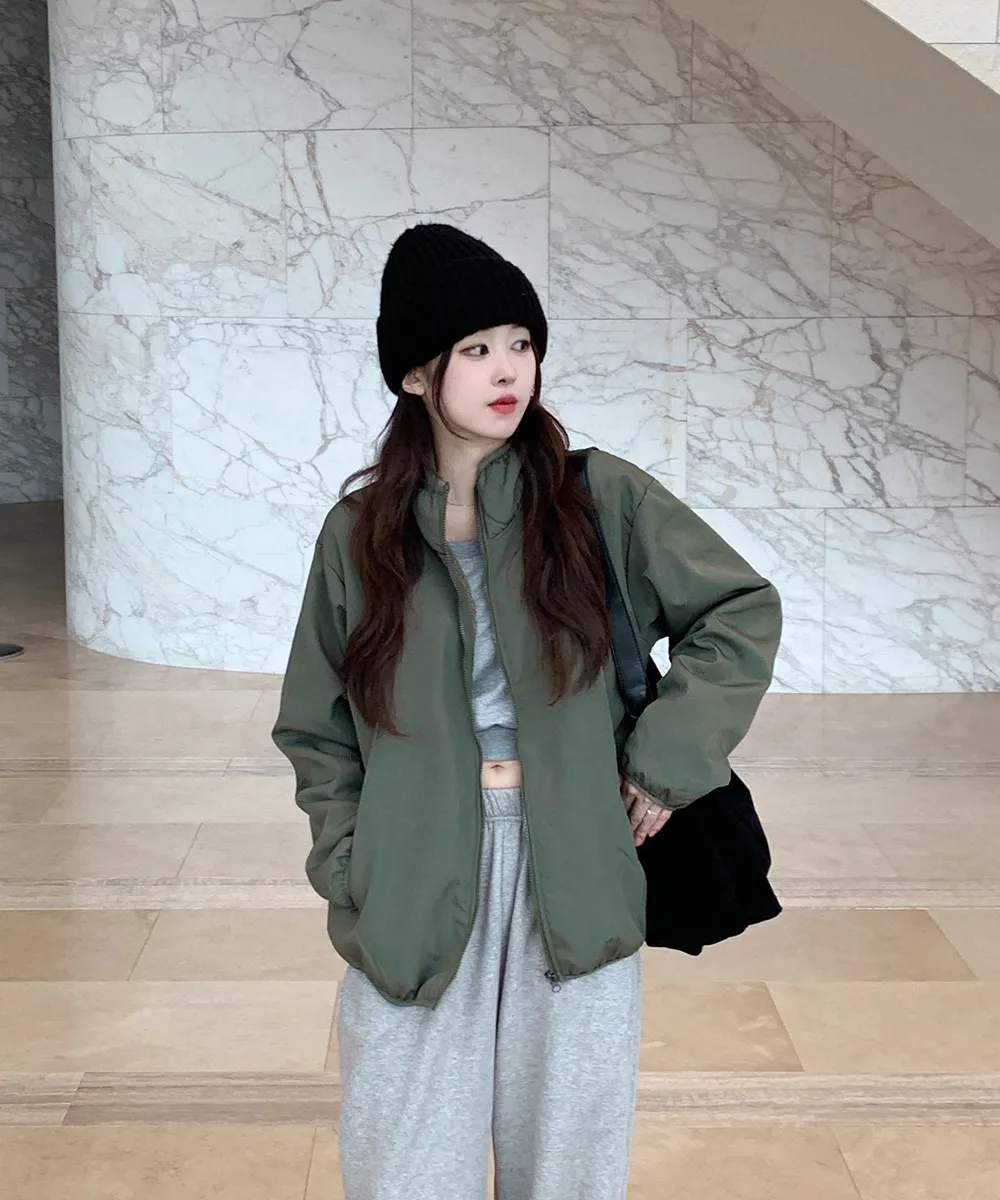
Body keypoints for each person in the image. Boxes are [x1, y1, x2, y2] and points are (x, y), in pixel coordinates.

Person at [272, 223, 783, 1200]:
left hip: (574, 866)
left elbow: (737, 610)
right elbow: (317, 725)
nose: (509, 369)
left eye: (521, 342)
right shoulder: (360, 535)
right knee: (403, 1167)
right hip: (414, 878)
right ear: (415, 375)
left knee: (568, 1172)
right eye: (475, 349)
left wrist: (667, 763)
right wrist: (350, 864)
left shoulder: (599, 500)